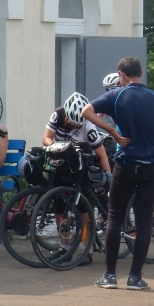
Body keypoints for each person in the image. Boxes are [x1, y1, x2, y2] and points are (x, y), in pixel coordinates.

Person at [82, 56, 154, 291]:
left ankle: (110, 275)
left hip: (125, 163)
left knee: (114, 217)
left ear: (121, 74)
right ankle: (135, 277)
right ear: (141, 73)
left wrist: (112, 131)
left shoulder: (116, 95)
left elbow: (86, 111)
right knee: (144, 221)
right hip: (151, 164)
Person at [42, 92, 112, 266]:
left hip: (81, 167)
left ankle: (86, 249)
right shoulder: (58, 114)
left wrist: (109, 179)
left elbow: (102, 155)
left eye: (77, 124)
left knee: (83, 211)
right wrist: (56, 147)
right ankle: (64, 248)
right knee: (60, 209)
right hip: (61, 166)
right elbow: (46, 137)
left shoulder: (89, 126)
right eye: (72, 123)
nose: (74, 126)